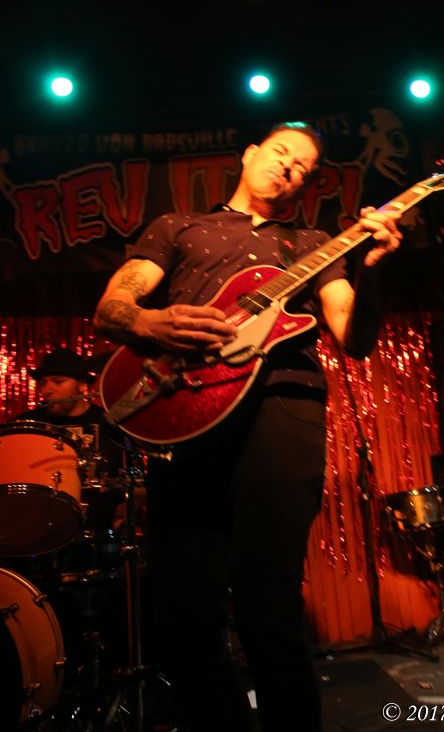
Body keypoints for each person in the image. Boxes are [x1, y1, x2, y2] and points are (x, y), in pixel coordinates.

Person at [93, 121, 403, 732]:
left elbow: (353, 336)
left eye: (303, 167)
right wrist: (150, 324)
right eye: (282, 152)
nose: (289, 166)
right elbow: (111, 308)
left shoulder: (315, 242)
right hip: (184, 410)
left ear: (306, 186)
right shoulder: (179, 226)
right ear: (250, 154)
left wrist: (373, 268)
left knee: (269, 602)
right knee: (185, 616)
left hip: (282, 405)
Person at [13, 347, 124, 531]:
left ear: (81, 385)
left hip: (99, 527)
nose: (48, 390)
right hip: (40, 524)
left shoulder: (108, 422)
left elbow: (121, 476)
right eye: (43, 383)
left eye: (58, 381)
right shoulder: (27, 424)